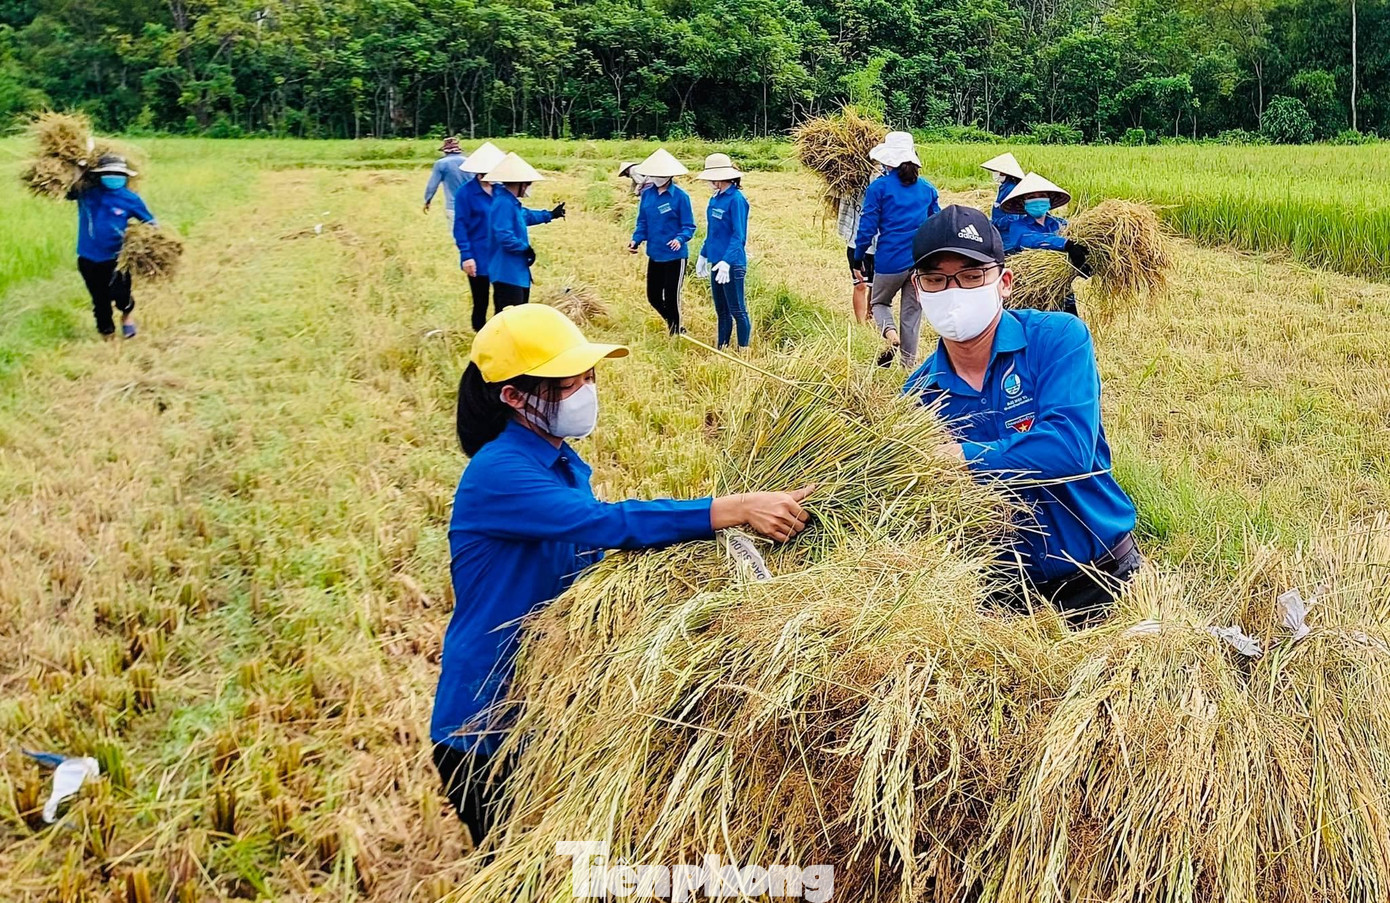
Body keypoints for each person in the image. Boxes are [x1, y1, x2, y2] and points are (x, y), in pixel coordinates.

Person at [433, 303, 814, 844]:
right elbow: (608, 524)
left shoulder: (559, 462)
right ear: (514, 397)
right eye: (570, 383)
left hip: (539, 702)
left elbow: (588, 558)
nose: (587, 390)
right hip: (485, 721)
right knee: (518, 862)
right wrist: (734, 508)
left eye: (590, 376)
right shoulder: (499, 472)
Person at [902, 205, 1140, 623]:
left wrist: (960, 457)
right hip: (1000, 602)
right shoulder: (918, 395)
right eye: (936, 280)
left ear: (1004, 283)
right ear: (918, 291)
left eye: (972, 277)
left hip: (1102, 578)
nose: (953, 292)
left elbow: (1068, 448)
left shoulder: (1056, 338)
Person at [853, 131, 940, 368]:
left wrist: (858, 257)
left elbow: (867, 227)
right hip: (920, 261)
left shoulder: (879, 188)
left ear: (887, 160)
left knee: (879, 303)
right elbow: (937, 223)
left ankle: (891, 335)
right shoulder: (927, 189)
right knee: (912, 314)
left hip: (890, 259)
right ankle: (907, 366)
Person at [69, 155, 157, 340]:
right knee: (99, 299)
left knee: (121, 295)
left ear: (125, 176)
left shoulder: (130, 199)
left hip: (117, 259)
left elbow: (150, 223)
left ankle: (126, 315)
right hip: (88, 258)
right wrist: (79, 169)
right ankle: (107, 334)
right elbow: (69, 190)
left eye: (118, 173)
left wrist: (146, 239)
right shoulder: (87, 194)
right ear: (100, 175)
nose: (113, 177)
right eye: (108, 173)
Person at [998, 172, 1091, 315]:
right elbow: (1029, 240)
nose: (1037, 200)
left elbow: (1078, 246)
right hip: (1032, 290)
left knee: (1069, 322)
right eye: (1031, 197)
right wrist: (1065, 244)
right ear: (1023, 202)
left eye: (1041, 196)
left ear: (1049, 200)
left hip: (1061, 290)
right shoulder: (1018, 226)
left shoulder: (1061, 225)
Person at [482, 152, 566, 310]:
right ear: (521, 183)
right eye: (528, 184)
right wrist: (524, 249)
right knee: (509, 318)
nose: (528, 188)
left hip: (517, 272)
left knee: (519, 315)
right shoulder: (503, 203)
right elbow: (504, 235)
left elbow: (525, 216)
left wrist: (550, 214)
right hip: (507, 272)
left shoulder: (510, 203)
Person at [627, 148, 696, 335]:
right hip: (655, 253)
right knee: (654, 297)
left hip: (675, 257)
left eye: (661, 175)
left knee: (672, 298)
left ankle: (676, 333)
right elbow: (643, 222)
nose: (657, 178)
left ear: (670, 175)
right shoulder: (647, 195)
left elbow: (689, 226)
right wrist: (636, 240)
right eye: (654, 174)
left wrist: (680, 239)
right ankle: (675, 325)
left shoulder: (681, 197)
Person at [693, 154, 751, 350]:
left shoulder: (736, 199)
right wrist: (703, 255)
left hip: (732, 264)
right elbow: (713, 232)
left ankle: (744, 350)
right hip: (716, 262)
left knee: (737, 310)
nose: (708, 182)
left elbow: (738, 235)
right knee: (722, 311)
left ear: (720, 177)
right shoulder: (715, 199)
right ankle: (722, 347)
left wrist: (727, 261)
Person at [451, 142, 508, 331]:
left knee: (502, 301)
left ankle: (499, 335)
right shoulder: (465, 193)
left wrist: (548, 215)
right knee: (480, 301)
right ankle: (480, 337)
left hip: (501, 256)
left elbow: (516, 215)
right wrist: (466, 256)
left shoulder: (501, 191)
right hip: (478, 255)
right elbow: (460, 226)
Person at [835, 191, 875, 324]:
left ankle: (870, 316)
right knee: (860, 284)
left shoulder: (885, 185)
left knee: (876, 286)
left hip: (880, 243)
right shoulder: (852, 187)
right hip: (856, 242)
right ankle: (860, 324)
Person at [424, 137, 473, 230]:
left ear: (445, 151)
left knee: (458, 235)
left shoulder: (441, 163)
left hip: (453, 206)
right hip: (473, 205)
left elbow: (432, 186)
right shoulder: (469, 161)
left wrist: (427, 200)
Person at [981, 152, 1025, 227]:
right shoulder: (1004, 187)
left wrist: (994, 223)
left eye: (995, 171)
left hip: (1007, 232)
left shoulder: (1011, 189)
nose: (994, 174)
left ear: (1003, 173)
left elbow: (1012, 218)